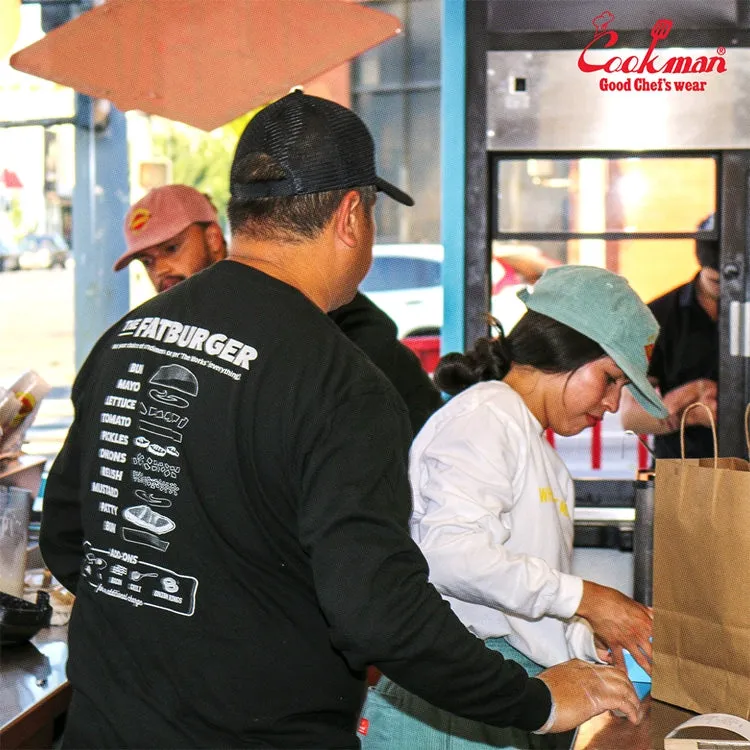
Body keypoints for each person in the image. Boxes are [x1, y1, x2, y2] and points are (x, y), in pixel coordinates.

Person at [41, 92, 642, 749]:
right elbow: (379, 614)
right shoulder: (341, 384)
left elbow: (69, 535)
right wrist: (530, 699)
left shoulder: (129, 338)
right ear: (353, 214)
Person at [360, 265, 664, 750]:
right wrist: (588, 599)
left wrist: (592, 641)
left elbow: (521, 606)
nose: (611, 404)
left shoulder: (542, 453)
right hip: (451, 696)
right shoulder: (486, 415)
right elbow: (452, 555)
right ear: (566, 351)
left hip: (506, 690)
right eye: (609, 378)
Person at [114, 184, 442, 434]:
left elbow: (371, 346)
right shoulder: (156, 336)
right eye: (148, 261)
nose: (161, 269)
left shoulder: (294, 297)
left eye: (172, 248)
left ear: (214, 239)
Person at [620, 213, 719, 458]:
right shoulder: (658, 317)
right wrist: (694, 411)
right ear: (702, 266)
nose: (731, 289)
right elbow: (630, 416)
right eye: (716, 281)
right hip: (684, 471)